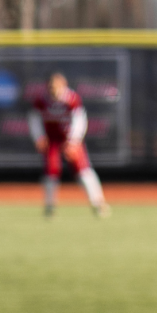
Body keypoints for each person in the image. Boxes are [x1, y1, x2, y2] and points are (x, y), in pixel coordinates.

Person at [30, 72, 108, 218]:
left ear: (63, 87)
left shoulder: (71, 99)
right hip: (52, 139)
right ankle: (50, 206)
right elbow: (34, 120)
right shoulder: (41, 100)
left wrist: (73, 142)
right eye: (51, 88)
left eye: (56, 87)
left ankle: (98, 203)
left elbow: (80, 121)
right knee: (51, 171)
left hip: (69, 138)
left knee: (83, 170)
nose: (53, 91)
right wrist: (39, 137)